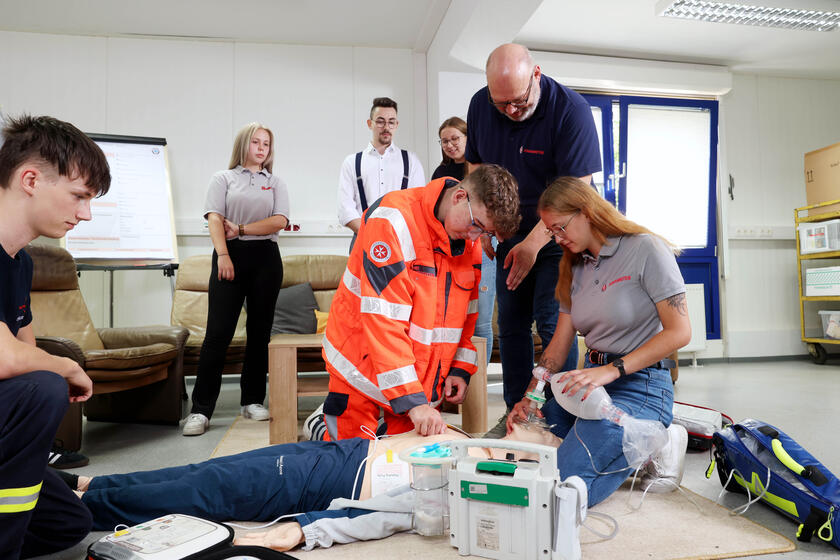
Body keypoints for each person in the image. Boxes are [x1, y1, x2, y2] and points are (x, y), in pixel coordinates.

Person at [73, 423, 560, 551]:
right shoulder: (472, 442)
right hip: (340, 451)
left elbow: (391, 515)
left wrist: (306, 529)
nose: (524, 421)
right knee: (203, 470)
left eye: (530, 434)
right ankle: (91, 484)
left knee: (208, 489)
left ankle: (83, 509)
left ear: (520, 461)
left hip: (327, 478)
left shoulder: (469, 482)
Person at [507, 177, 691, 507]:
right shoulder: (574, 265)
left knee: (561, 489)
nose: (557, 239)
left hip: (641, 385)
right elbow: (559, 344)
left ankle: (658, 442)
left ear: (586, 212)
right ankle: (641, 446)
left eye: (560, 228)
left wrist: (611, 370)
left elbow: (680, 332)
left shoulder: (646, 248)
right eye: (551, 232)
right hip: (588, 388)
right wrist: (531, 397)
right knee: (524, 456)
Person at [322, 165, 521, 441]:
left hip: (415, 384)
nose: (476, 237)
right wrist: (413, 401)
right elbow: (384, 321)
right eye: (476, 225)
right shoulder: (392, 221)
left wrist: (459, 368)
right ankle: (320, 426)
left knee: (409, 464)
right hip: (360, 371)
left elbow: (467, 314)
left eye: (484, 232)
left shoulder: (468, 239)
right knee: (351, 462)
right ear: (459, 197)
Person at [464, 43, 602, 436]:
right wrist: (483, 226)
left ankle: (556, 417)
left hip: (560, 235)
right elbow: (476, 169)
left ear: (536, 74)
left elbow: (577, 191)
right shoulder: (480, 106)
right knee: (510, 325)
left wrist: (533, 244)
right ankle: (516, 416)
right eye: (501, 103)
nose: (510, 110)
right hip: (508, 231)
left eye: (518, 101)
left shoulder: (571, 110)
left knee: (552, 323)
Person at [0, 114, 111, 559]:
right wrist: (65, 366)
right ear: (30, 180)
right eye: (78, 196)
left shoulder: (20, 262)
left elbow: (23, 351)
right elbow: (7, 359)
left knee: (68, 522)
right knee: (42, 387)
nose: (85, 213)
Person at [184, 123, 290, 436]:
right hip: (229, 256)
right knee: (218, 334)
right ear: (243, 144)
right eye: (256, 142)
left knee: (260, 334)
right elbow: (214, 218)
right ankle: (201, 410)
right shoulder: (223, 178)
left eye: (266, 144)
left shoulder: (275, 182)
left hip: (266, 259)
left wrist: (242, 229)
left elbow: (280, 221)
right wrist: (224, 254)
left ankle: (252, 400)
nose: (261, 148)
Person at [432, 117, 496, 366]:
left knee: (481, 319)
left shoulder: (482, 171)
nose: (450, 145)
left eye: (455, 139)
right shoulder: (440, 173)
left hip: (482, 245)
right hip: (451, 249)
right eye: (444, 141)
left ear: (468, 138)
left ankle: (480, 379)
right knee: (453, 317)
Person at [337, 97, 425, 248]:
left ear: (396, 125)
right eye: (380, 121)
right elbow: (345, 209)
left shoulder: (411, 161)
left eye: (391, 122)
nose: (386, 127)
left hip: (401, 242)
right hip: (362, 240)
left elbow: (418, 205)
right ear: (369, 123)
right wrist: (371, 233)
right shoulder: (351, 162)